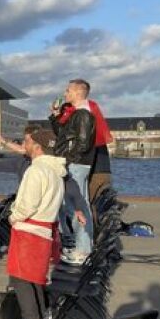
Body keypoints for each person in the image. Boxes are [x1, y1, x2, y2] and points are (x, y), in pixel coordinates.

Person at [6, 129, 66, 319]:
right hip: (44, 227)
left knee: (21, 278)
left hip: (30, 228)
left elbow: (28, 203)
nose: (25, 144)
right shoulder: (55, 172)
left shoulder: (36, 170)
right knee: (34, 277)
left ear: (38, 146)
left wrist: (14, 216)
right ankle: (40, 318)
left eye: (28, 142)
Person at [49, 79, 96, 263]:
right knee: (73, 206)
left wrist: (67, 159)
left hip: (76, 165)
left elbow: (82, 144)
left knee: (78, 206)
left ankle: (83, 251)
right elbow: (61, 135)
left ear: (78, 92)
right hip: (74, 164)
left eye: (68, 90)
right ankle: (80, 247)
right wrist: (54, 115)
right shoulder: (76, 115)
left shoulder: (83, 115)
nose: (65, 93)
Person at [87, 99, 113, 205]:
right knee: (99, 204)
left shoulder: (89, 133)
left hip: (96, 172)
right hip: (104, 170)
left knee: (89, 204)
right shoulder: (98, 131)